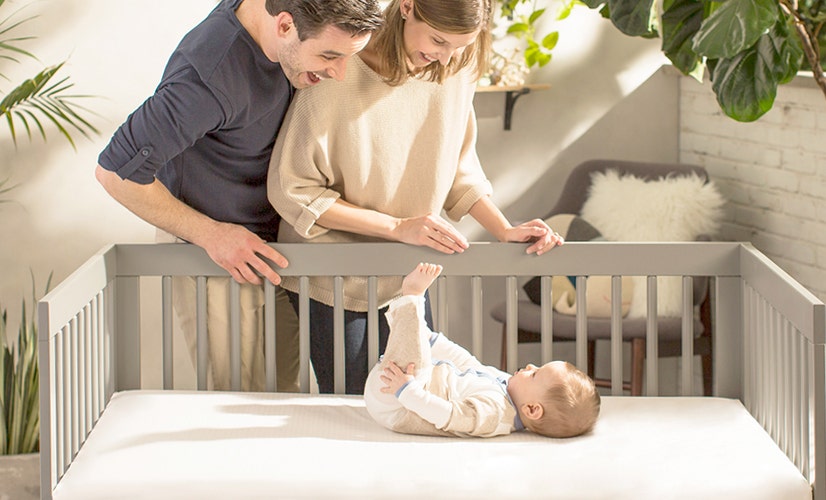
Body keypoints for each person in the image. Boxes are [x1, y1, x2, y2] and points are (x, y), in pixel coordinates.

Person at [267, 0, 564, 395]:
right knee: (361, 400)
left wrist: (503, 228)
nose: (444, 56)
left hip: (408, 272)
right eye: (438, 39)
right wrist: (397, 227)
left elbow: (457, 166)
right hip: (334, 271)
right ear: (406, 6)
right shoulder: (338, 69)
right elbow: (293, 190)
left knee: (415, 394)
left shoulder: (455, 70)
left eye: (459, 46)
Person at [95, 0, 384, 392]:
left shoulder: (286, 18)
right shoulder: (207, 79)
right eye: (329, 56)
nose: (339, 73)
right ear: (284, 26)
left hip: (273, 247)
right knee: (238, 398)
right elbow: (115, 172)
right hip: (219, 254)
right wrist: (212, 235)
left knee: (286, 395)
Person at [364, 263, 600, 438]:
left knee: (414, 365)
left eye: (535, 374)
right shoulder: (508, 387)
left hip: (399, 404)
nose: (530, 366)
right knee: (420, 350)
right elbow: (467, 362)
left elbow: (449, 415)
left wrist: (408, 392)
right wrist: (432, 340)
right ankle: (413, 325)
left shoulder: (496, 413)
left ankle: (411, 299)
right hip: (402, 386)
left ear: (532, 409)